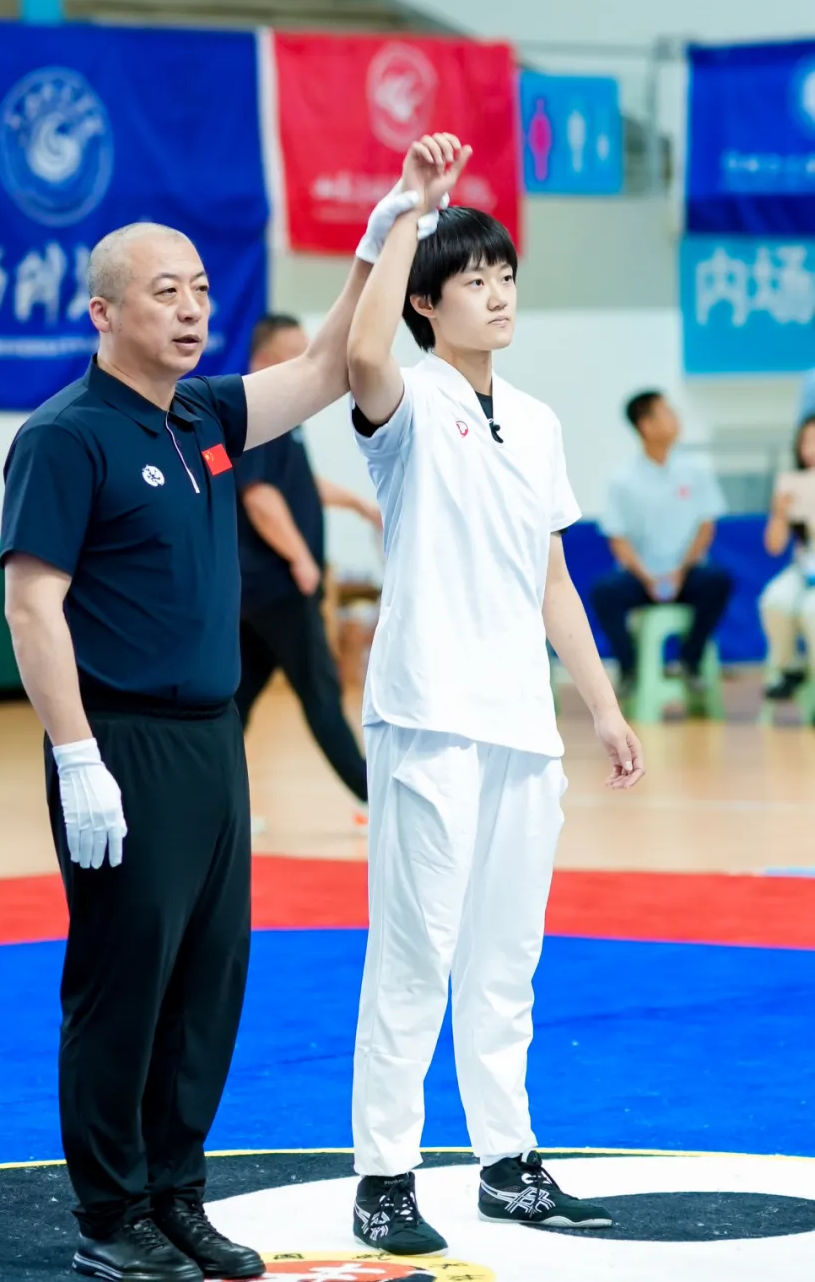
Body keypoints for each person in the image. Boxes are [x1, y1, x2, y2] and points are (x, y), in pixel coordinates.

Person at [0, 161, 443, 1280]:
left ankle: (177, 1194)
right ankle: (112, 1216)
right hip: (122, 743)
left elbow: (330, 367)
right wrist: (78, 757)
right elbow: (32, 605)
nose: (192, 309)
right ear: (105, 313)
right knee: (125, 982)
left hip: (210, 741)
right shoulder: (65, 436)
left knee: (207, 981)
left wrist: (381, 234)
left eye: (200, 289)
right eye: (166, 293)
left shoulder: (202, 415)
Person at [345, 138, 644, 1254]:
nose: (500, 293)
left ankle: (506, 1162)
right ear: (428, 304)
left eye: (507, 275)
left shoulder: (541, 419)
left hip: (523, 726)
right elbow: (360, 348)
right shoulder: (408, 404)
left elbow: (553, 580)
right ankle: (383, 1178)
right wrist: (405, 214)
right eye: (474, 280)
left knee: (506, 957)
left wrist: (602, 707)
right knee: (413, 955)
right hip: (429, 716)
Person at [236, 312, 380, 805]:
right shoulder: (256, 413)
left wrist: (358, 504)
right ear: (264, 360)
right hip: (278, 585)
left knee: (234, 702)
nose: (309, 361)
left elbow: (297, 484)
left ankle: (205, 802)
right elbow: (258, 495)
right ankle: (376, 798)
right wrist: (301, 559)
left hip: (260, 590)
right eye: (296, 352)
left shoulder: (285, 416)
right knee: (321, 693)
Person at [592, 392, 732, 697]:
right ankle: (629, 668)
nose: (675, 418)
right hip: (642, 577)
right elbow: (618, 538)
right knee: (605, 592)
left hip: (686, 573)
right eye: (666, 413)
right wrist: (648, 577)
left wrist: (681, 571)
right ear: (646, 425)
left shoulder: (695, 471)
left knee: (718, 581)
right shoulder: (623, 480)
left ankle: (689, 660)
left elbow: (706, 527)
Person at [759, 414, 815, 700]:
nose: (811, 449)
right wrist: (780, 513)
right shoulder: (791, 486)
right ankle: (790, 667)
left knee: (811, 611)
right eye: (806, 442)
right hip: (804, 569)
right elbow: (774, 546)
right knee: (775, 600)